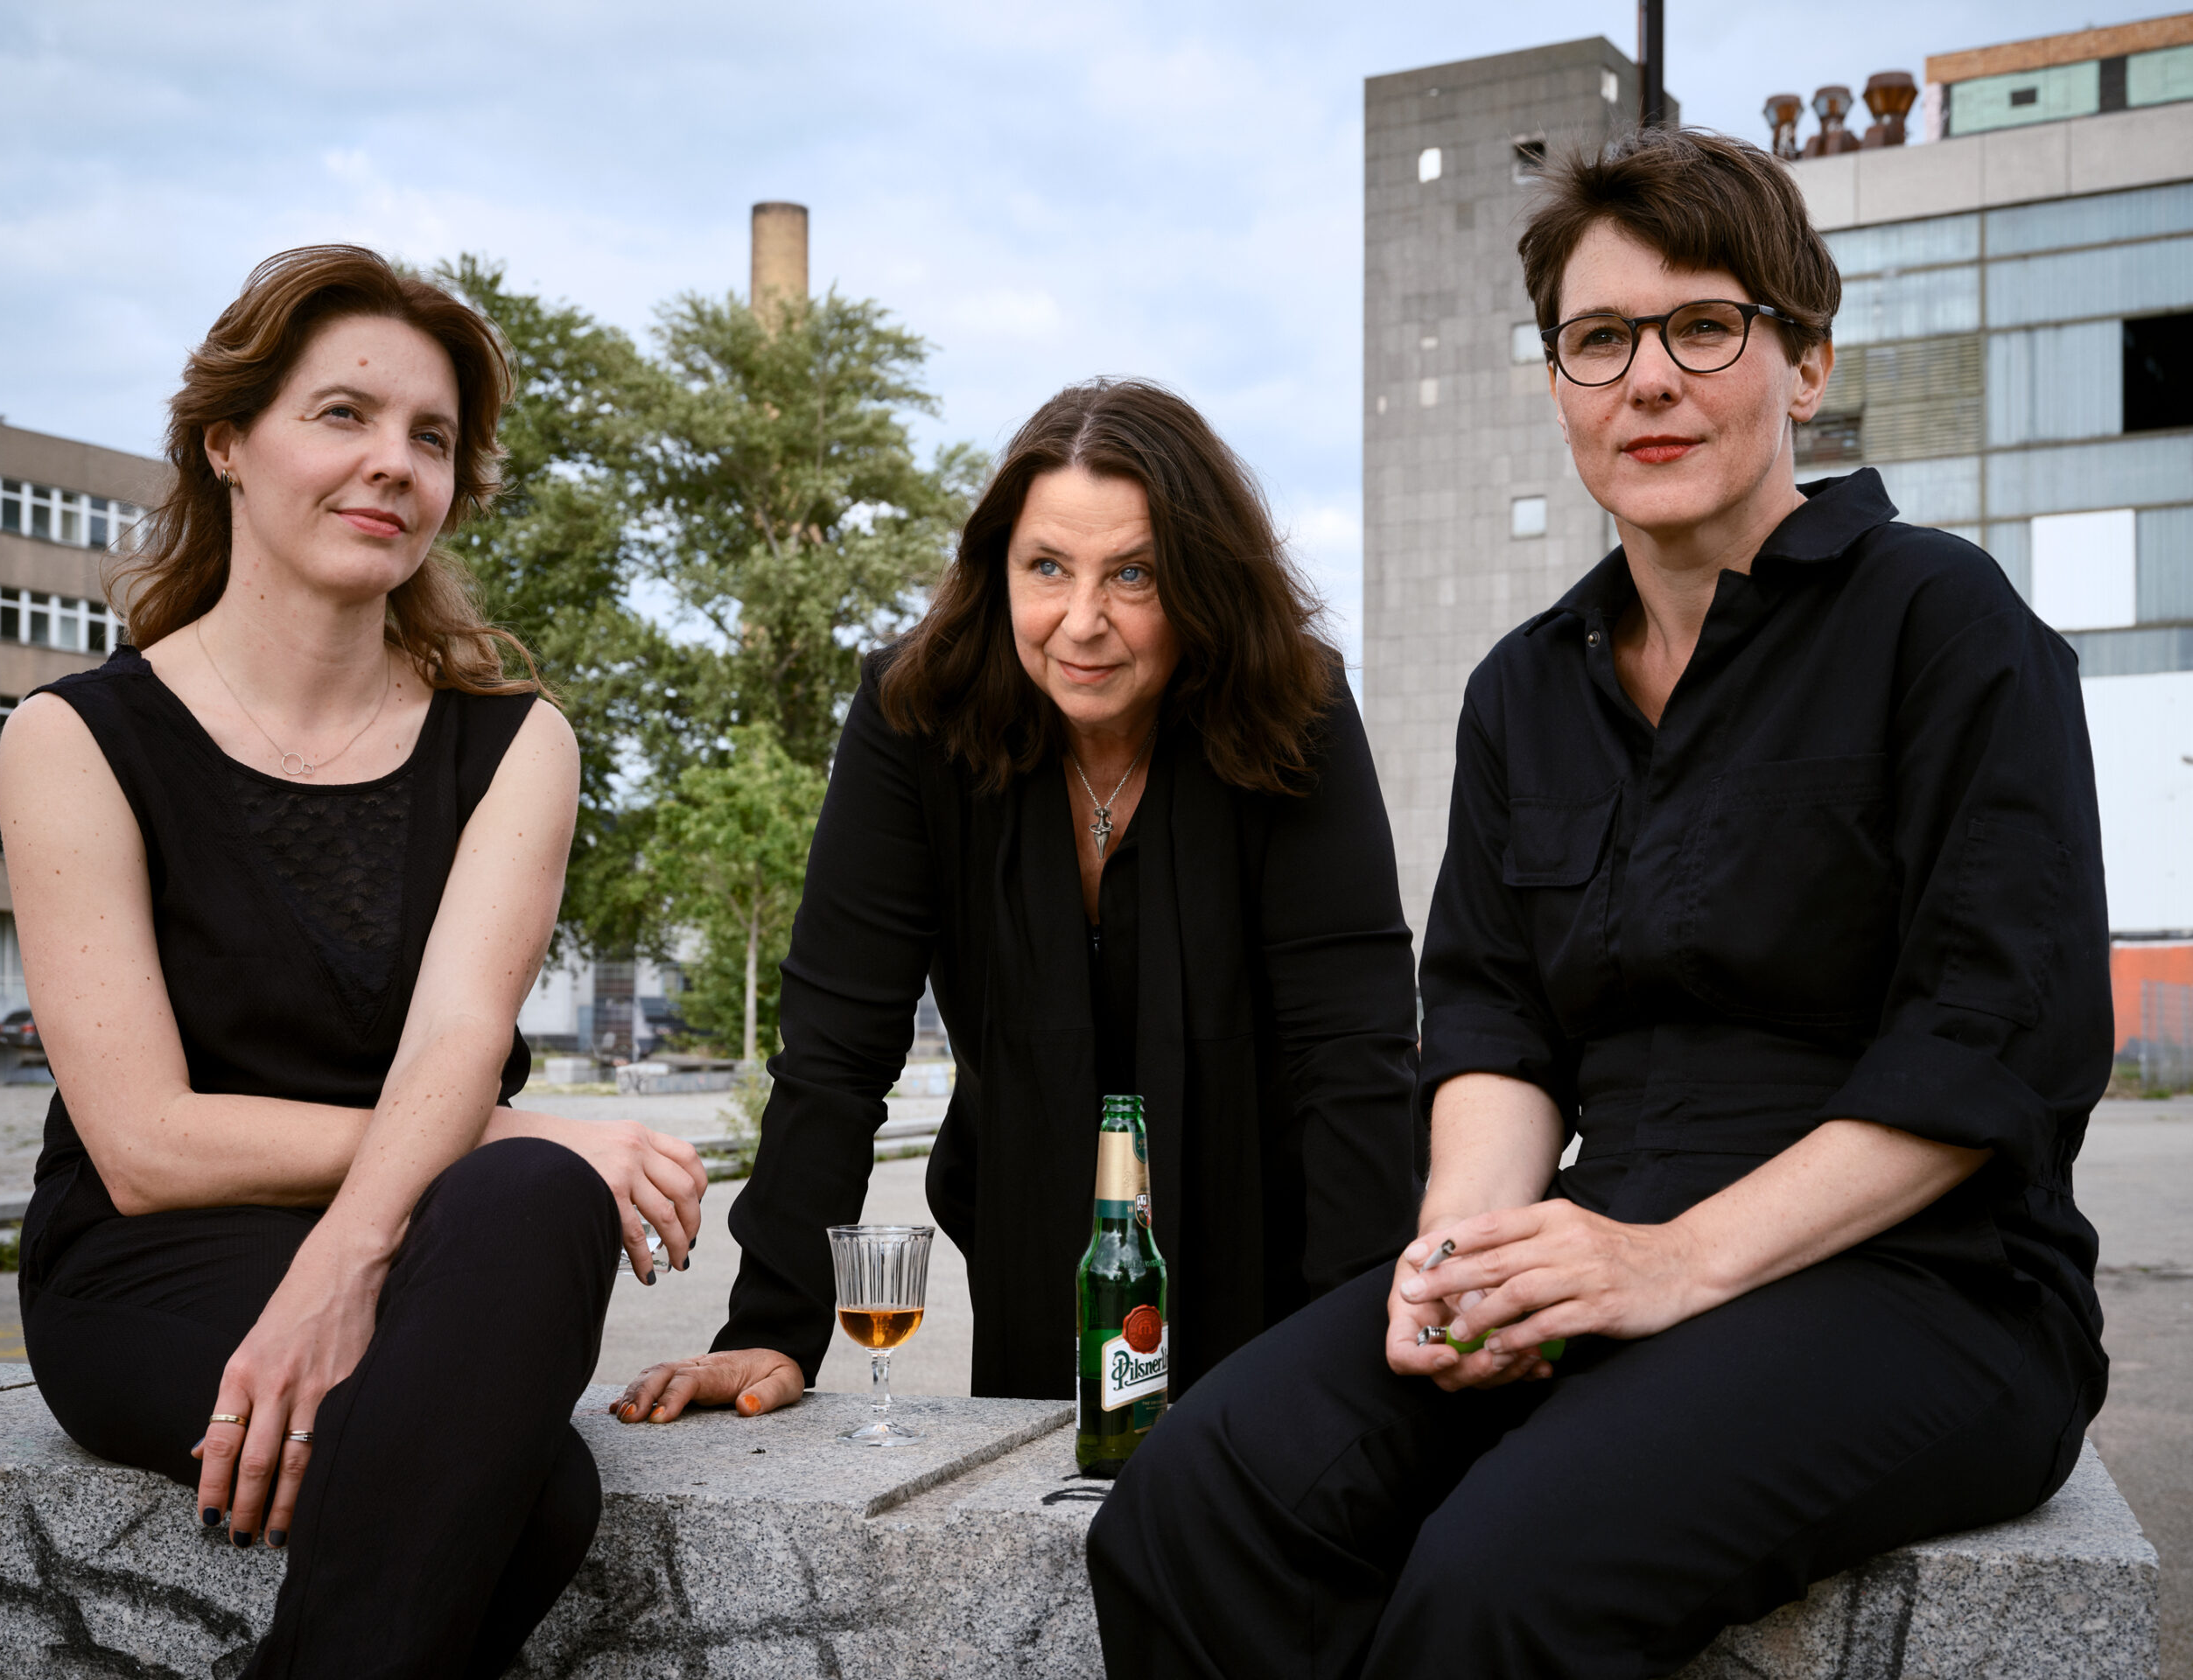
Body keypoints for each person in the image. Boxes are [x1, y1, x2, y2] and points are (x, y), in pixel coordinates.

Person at [1088, 128, 2112, 1677]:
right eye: (1600, 339)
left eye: (1706, 327)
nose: (1650, 380)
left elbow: (1993, 1039)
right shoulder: (1523, 692)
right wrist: (1464, 1258)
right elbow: (1493, 1021)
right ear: (1560, 380)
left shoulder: (1944, 622)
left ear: (1807, 362)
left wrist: (1668, 1265)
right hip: (1607, 1243)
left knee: (1504, 1582)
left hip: (1931, 1285)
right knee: (1187, 1506)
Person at [5, 245, 705, 1678]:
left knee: (525, 1198)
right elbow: (144, 1144)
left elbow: (457, 1033)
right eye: (343, 415)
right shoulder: (73, 738)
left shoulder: (514, 744)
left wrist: (363, 1242)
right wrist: (509, 1127)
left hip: (421, 1257)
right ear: (226, 443)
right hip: (148, 1266)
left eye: (431, 438)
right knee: (538, 1482)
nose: (391, 463)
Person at [613, 379, 1419, 1424]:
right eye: (1048, 568)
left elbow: (1353, 1052)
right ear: (999, 568)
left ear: (1204, 585)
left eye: (1133, 574)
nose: (1082, 623)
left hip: (1276, 1220)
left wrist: (1356, 1344)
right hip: (1028, 1210)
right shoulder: (915, 719)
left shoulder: (1293, 711)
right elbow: (837, 1049)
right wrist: (772, 1323)